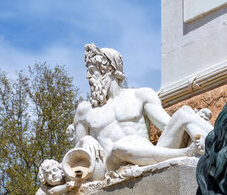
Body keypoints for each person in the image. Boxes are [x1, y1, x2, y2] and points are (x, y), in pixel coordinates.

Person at [73, 43, 213, 173]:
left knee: (184, 113)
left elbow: (167, 126)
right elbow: (76, 155)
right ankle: (187, 153)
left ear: (109, 70)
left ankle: (221, 142)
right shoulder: (85, 110)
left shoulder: (141, 96)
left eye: (92, 71)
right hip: (112, 165)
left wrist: (194, 124)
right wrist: (84, 140)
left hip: (152, 155)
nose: (88, 76)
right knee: (119, 147)